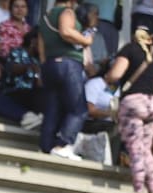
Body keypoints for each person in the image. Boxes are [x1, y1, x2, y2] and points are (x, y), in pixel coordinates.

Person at [106, 24, 153, 193]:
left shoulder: (129, 49)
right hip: (152, 104)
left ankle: (139, 188)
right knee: (145, 149)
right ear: (151, 37)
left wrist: (107, 77)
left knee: (135, 149)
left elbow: (115, 75)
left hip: (133, 103)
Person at [38, 0, 94, 160]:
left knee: (53, 109)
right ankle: (63, 144)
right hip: (68, 64)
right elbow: (65, 31)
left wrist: (44, 68)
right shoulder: (67, 12)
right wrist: (86, 40)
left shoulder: (45, 17)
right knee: (79, 109)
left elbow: (42, 48)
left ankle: (46, 146)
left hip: (50, 64)